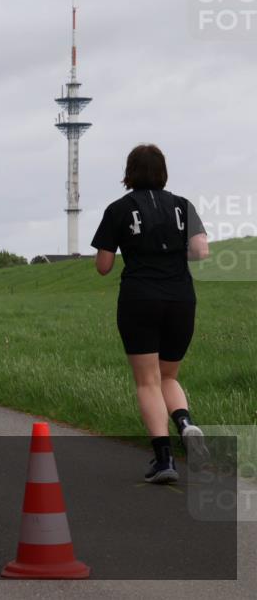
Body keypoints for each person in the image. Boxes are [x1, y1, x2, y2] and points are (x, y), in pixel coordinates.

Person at [91, 143, 209, 484]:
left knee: (147, 381)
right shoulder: (182, 206)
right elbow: (201, 251)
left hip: (139, 299)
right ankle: (185, 424)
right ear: (162, 172)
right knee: (168, 376)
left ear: (129, 173)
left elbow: (103, 266)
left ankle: (164, 460)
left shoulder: (118, 209)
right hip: (181, 298)